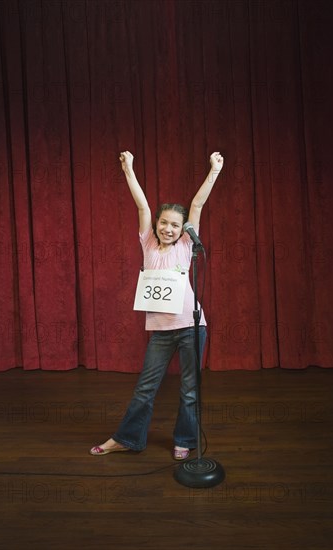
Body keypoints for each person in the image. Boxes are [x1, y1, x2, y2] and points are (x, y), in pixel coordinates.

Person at [90, 150, 224, 460]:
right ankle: (126, 439)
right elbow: (141, 204)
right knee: (144, 389)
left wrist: (214, 171)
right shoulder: (148, 243)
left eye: (175, 225)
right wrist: (129, 169)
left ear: (182, 229)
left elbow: (198, 204)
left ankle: (185, 440)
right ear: (157, 225)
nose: (168, 228)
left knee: (190, 391)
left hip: (192, 327)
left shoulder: (188, 244)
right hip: (162, 332)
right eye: (164, 222)